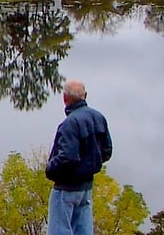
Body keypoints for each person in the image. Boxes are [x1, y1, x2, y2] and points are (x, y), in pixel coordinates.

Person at [46, 79, 112, 235]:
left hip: (66, 188)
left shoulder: (69, 124)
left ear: (65, 98)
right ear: (85, 95)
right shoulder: (98, 118)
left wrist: (50, 169)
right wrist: (89, 166)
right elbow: (107, 151)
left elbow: (67, 157)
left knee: (59, 230)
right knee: (83, 230)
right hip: (86, 187)